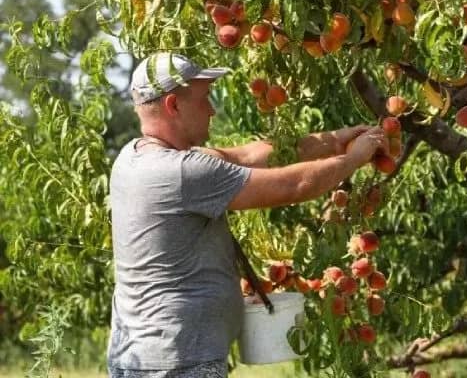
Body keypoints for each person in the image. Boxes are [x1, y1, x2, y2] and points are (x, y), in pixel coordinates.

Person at [107, 52, 390, 378]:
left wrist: (337, 141)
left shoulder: (132, 158)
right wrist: (353, 159)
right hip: (177, 363)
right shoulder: (183, 173)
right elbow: (293, 186)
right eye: (204, 98)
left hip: (146, 356)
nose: (212, 109)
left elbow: (247, 156)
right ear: (173, 105)